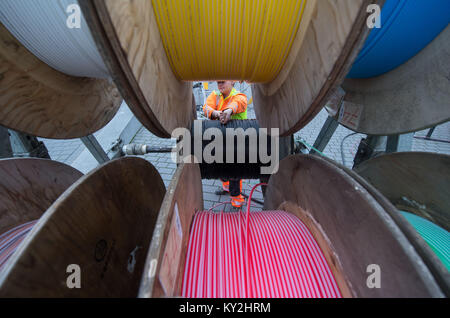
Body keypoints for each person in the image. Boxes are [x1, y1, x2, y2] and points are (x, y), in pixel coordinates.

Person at [203, 81, 248, 208]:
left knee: (234, 173)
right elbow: (206, 108)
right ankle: (226, 187)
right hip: (220, 140)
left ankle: (237, 201)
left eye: (223, 82)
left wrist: (229, 111)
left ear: (232, 81)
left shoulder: (239, 96)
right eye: (218, 82)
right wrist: (216, 113)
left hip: (236, 142)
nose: (220, 85)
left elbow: (239, 103)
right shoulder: (215, 94)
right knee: (221, 168)